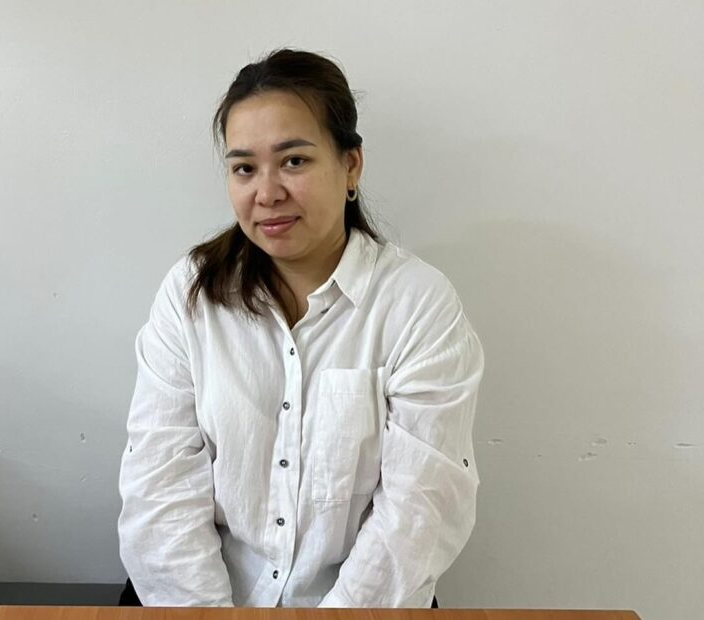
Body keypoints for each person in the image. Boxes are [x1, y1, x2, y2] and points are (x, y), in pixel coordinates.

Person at [117, 48, 484, 608]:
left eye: (293, 161)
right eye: (244, 168)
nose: (267, 193)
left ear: (351, 165)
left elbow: (420, 511)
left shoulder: (416, 304)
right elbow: (159, 485)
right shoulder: (191, 293)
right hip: (199, 599)